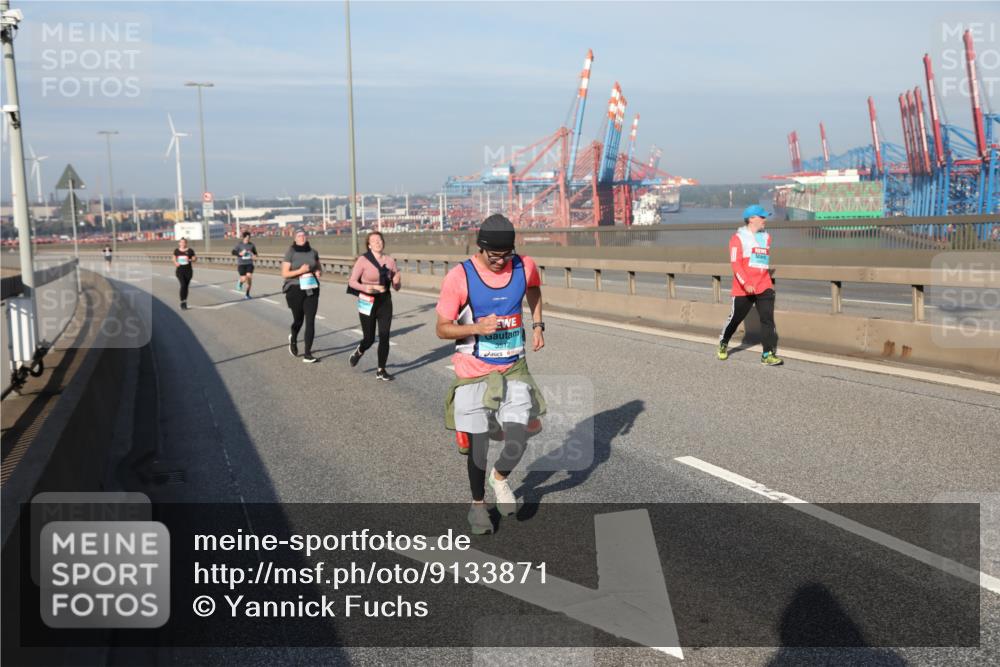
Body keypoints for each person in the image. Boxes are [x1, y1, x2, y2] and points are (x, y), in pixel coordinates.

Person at [436, 214, 546, 535]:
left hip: (514, 366)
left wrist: (538, 325)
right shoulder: (460, 277)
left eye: (506, 255)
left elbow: (535, 290)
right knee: (479, 444)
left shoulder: (524, 266)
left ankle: (499, 478)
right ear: (480, 248)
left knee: (520, 436)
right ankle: (478, 507)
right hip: (473, 372)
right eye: (494, 255)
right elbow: (442, 329)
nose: (500, 262)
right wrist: (476, 327)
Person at [717, 204, 783, 365]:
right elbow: (736, 264)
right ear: (751, 219)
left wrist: (763, 279)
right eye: (762, 217)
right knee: (735, 319)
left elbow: (761, 261)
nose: (765, 219)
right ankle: (723, 342)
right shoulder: (737, 239)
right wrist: (746, 283)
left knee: (767, 319)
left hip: (764, 285)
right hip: (743, 287)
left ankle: (767, 354)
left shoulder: (767, 237)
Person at [347, 231, 401, 381]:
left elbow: (396, 286)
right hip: (367, 299)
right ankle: (359, 350)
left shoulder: (390, 261)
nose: (378, 242)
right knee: (369, 338)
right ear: (369, 245)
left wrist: (397, 280)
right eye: (374, 240)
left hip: (385, 300)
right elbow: (352, 281)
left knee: (384, 336)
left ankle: (381, 370)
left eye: (380, 240)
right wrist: (366, 288)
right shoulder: (363, 260)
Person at [281, 228, 322, 364]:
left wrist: (317, 272)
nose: (302, 237)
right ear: (295, 238)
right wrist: (300, 271)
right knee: (298, 320)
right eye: (299, 236)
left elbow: (318, 267)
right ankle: (293, 337)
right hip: (294, 288)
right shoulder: (290, 252)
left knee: (310, 320)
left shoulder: (313, 252)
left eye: (304, 235)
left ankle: (308, 354)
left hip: (311, 288)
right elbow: (285, 273)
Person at [231, 231, 258, 299]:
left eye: (249, 238)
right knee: (244, 278)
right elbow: (233, 252)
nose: (248, 239)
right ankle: (240, 282)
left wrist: (254, 256)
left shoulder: (252, 245)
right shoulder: (239, 245)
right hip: (241, 264)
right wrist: (240, 254)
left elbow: (255, 253)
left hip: (249, 264)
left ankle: (247, 294)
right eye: (247, 238)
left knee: (249, 278)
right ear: (244, 238)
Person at [173, 238, 196, 310]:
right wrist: (175, 263)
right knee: (183, 285)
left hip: (188, 271)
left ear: (186, 243)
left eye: (184, 242)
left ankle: (185, 301)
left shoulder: (190, 250)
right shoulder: (176, 251)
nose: (183, 244)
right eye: (181, 242)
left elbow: (195, 258)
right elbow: (173, 258)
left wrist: (191, 259)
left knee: (186, 286)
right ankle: (182, 302)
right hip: (180, 271)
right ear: (179, 243)